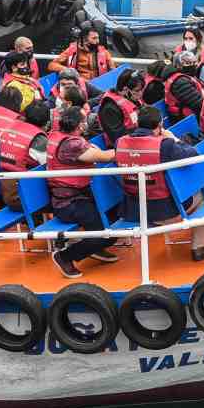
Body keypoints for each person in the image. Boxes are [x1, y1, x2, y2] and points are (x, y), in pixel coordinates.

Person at [115, 105, 204, 262]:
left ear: (138, 124)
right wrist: (174, 139)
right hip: (163, 212)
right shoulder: (164, 145)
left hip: (133, 209)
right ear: (159, 125)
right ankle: (203, 243)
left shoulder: (120, 143)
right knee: (201, 193)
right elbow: (192, 154)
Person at [44, 105, 122, 278]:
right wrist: (129, 148)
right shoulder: (72, 144)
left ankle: (92, 248)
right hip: (69, 203)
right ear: (79, 125)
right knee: (107, 232)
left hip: (81, 196)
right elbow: (104, 156)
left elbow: (93, 151)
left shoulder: (57, 136)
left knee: (117, 215)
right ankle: (64, 256)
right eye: (85, 119)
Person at [0, 100, 51, 212]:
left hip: (8, 193)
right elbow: (50, 168)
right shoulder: (39, 141)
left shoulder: (6, 130)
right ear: (46, 122)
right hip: (25, 198)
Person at [98, 69, 144, 144]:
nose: (141, 94)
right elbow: (119, 138)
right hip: (124, 147)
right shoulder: (109, 108)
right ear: (125, 89)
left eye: (141, 90)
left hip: (139, 138)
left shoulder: (132, 99)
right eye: (137, 91)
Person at [163, 51, 204, 122]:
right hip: (187, 119)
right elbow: (199, 104)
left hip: (193, 115)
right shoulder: (180, 82)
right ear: (178, 65)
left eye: (194, 62)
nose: (192, 65)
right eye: (187, 63)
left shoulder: (186, 76)